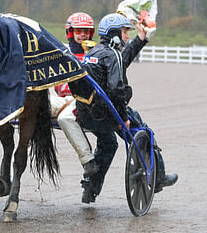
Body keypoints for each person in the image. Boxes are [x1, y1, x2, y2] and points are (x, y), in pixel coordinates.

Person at [71, 13, 178, 204]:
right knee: (144, 131)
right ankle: (159, 177)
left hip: (87, 115)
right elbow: (116, 89)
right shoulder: (112, 55)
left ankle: (90, 189)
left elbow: (123, 60)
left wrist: (141, 39)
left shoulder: (93, 53)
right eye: (124, 32)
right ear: (114, 35)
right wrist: (123, 118)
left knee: (108, 144)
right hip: (108, 114)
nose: (126, 37)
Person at [50, 12, 97, 180]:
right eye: (78, 31)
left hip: (81, 100)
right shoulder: (59, 54)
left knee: (65, 118)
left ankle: (87, 160)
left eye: (86, 31)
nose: (82, 34)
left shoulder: (95, 55)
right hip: (59, 100)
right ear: (71, 33)